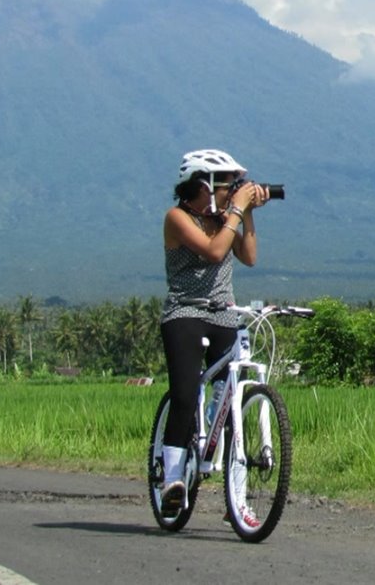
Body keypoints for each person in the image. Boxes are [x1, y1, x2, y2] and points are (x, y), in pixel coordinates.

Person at [158, 149, 269, 521]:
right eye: (226, 185)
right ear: (202, 184)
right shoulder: (177, 218)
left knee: (233, 400)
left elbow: (248, 256)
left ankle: (237, 498)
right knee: (186, 394)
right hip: (186, 312)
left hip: (224, 314)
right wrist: (237, 210)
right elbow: (212, 250)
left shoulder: (224, 217)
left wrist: (246, 213)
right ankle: (172, 479)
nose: (231, 191)